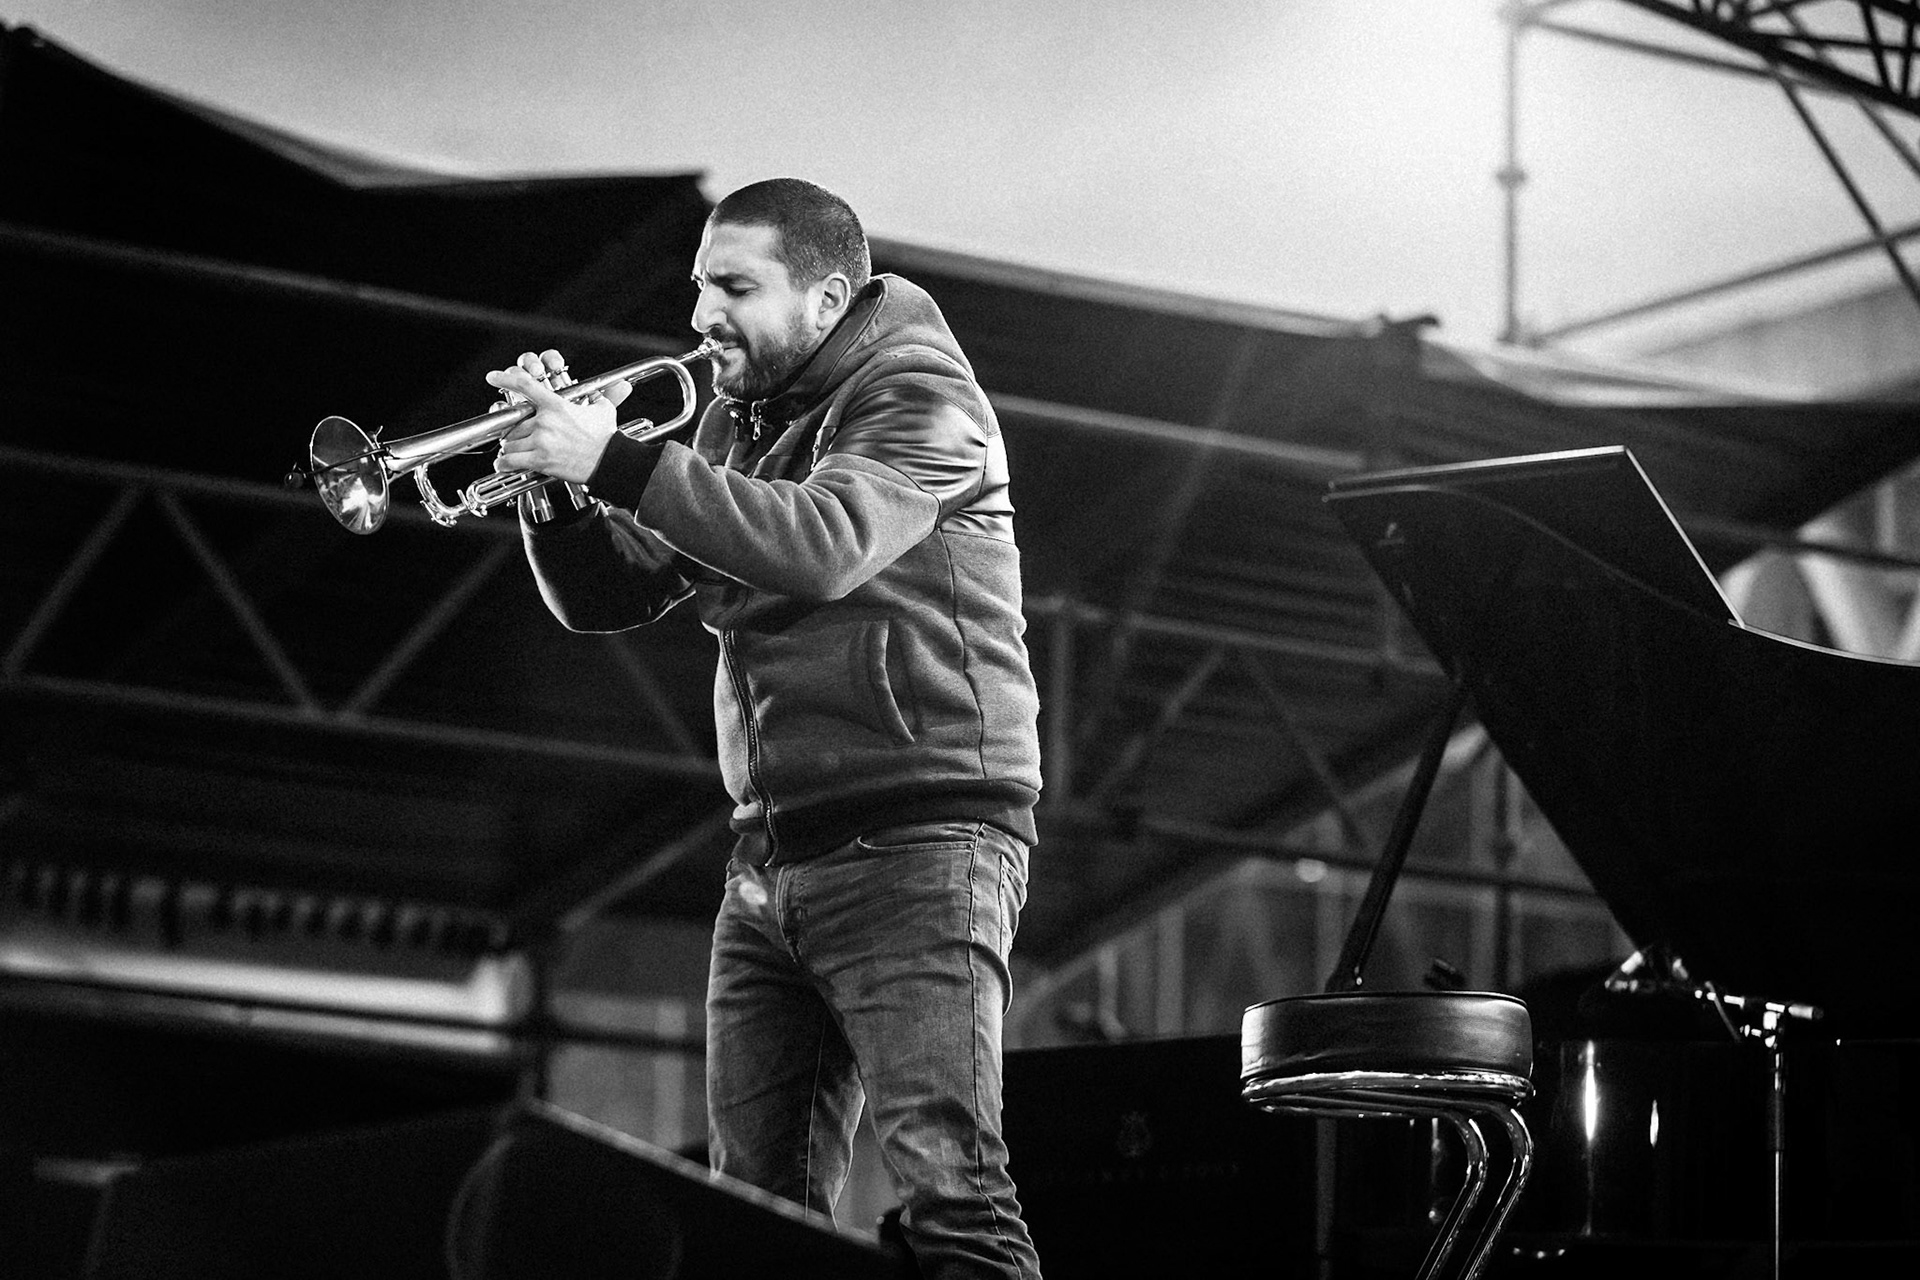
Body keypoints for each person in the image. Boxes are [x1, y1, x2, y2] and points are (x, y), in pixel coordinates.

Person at [485, 177, 1044, 1280]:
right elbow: (610, 593)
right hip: (770, 858)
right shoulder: (742, 422)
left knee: (950, 1187)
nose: (701, 315)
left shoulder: (924, 398)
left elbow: (823, 542)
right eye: (699, 285)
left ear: (829, 296)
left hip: (923, 844)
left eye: (735, 286)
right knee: (749, 1215)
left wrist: (616, 459)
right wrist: (550, 493)